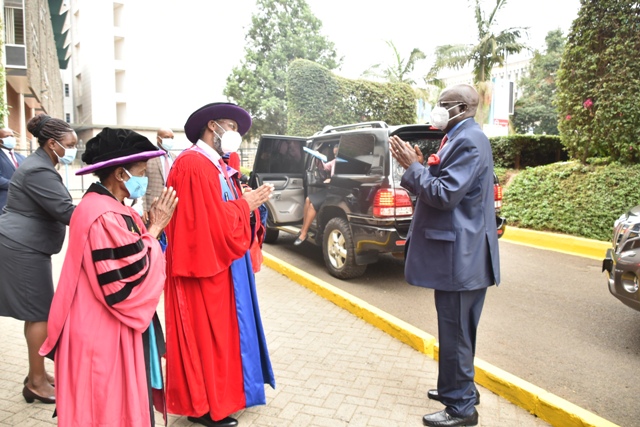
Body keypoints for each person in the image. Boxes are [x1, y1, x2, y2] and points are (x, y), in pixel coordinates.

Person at [39, 128, 178, 426]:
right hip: (101, 331)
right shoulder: (105, 215)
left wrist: (147, 231)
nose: (144, 178)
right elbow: (127, 281)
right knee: (106, 410)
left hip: (95, 321)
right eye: (141, 172)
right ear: (120, 174)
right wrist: (155, 229)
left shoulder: (105, 206)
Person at [389, 84, 500, 427]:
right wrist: (422, 166)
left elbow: (445, 194)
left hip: (461, 258)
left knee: (456, 334)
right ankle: (457, 387)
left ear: (462, 108)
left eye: (444, 104)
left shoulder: (469, 140)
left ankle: (461, 408)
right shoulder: (458, 137)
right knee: (457, 331)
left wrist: (413, 167)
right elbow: (447, 183)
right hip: (459, 256)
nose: (437, 109)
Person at [164, 102, 276, 427]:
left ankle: (225, 397)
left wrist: (246, 202)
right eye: (232, 126)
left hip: (221, 263)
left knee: (224, 337)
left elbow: (220, 211)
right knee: (206, 338)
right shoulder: (193, 164)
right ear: (212, 126)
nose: (235, 134)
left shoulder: (215, 165)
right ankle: (204, 407)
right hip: (202, 267)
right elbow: (206, 222)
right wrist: (245, 204)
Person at [0, 114, 77, 404]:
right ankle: (36, 382)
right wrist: (104, 212)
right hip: (22, 246)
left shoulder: (40, 164)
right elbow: (65, 210)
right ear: (53, 144)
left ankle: (38, 373)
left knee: (36, 313)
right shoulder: (38, 171)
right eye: (70, 145)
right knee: (40, 313)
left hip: (26, 246)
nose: (73, 150)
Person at [294, 144, 338, 246]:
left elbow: (343, 178)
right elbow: (324, 167)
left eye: (337, 153)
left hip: (336, 192)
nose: (335, 155)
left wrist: (331, 180)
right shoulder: (334, 161)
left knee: (313, 205)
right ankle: (303, 228)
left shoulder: (345, 163)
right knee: (308, 199)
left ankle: (304, 234)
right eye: (334, 154)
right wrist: (318, 158)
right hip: (329, 189)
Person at [143, 127, 176, 218]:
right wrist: (143, 207)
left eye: (172, 138)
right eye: (167, 137)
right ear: (158, 138)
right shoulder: (148, 157)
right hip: (151, 206)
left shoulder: (175, 158)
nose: (170, 140)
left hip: (170, 207)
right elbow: (141, 183)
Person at [0, 127, 25, 211]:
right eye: (7, 136)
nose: (10, 138)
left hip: (23, 203)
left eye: (12, 136)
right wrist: (17, 185)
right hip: (4, 203)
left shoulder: (22, 157)